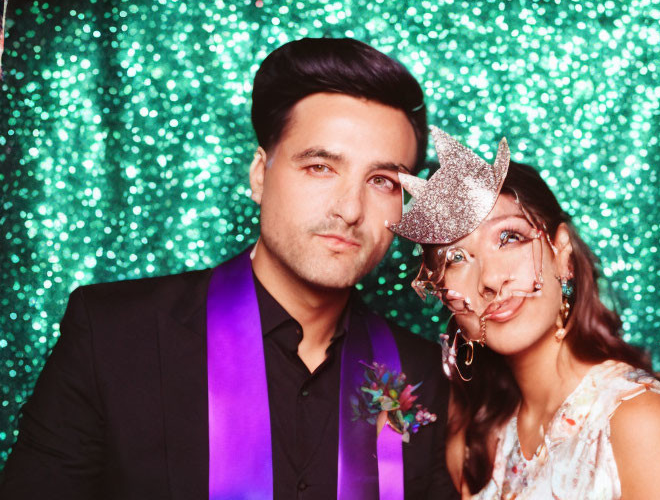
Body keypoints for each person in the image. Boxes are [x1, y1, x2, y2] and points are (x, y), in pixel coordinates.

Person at [0, 38, 457, 500]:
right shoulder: (114, 334)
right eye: (320, 167)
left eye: (381, 181)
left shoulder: (421, 372)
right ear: (260, 175)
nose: (350, 208)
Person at [390, 128, 660, 500]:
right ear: (442, 293)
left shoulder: (634, 419)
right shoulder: (476, 431)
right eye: (456, 258)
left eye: (509, 238)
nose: (490, 280)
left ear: (561, 253)